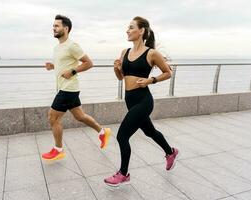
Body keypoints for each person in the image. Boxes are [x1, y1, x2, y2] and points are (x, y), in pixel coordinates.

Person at [104, 16, 179, 187]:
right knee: (150, 131)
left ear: (141, 31)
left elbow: (167, 72)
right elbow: (121, 77)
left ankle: (123, 173)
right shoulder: (124, 52)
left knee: (122, 135)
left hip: (144, 100)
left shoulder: (151, 53)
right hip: (129, 99)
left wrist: (150, 81)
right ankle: (170, 152)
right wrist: (116, 69)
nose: (127, 30)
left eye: (131, 27)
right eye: (127, 28)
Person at [42, 15, 111, 161]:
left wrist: (73, 71)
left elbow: (88, 63)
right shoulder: (57, 47)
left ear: (66, 29)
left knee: (52, 117)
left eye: (57, 26)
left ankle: (58, 149)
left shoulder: (72, 45)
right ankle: (103, 131)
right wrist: (53, 66)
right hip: (66, 88)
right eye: (53, 26)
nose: (53, 28)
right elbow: (64, 65)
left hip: (68, 89)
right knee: (80, 116)